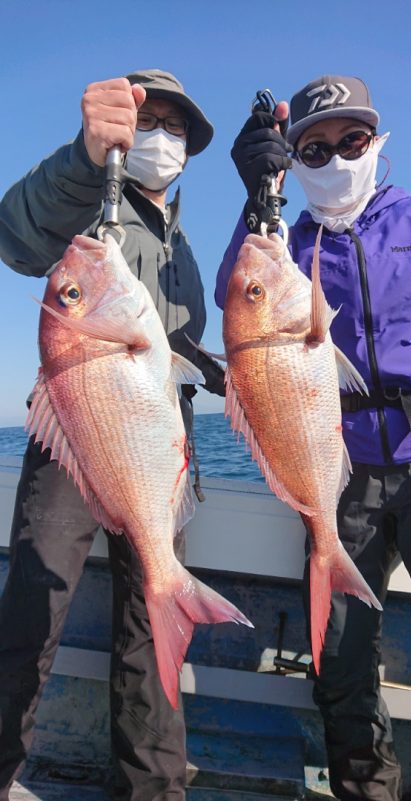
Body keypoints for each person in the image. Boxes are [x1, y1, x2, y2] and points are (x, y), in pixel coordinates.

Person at [215, 74, 411, 801]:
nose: (336, 156)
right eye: (313, 149)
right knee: (340, 657)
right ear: (296, 164)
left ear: (376, 143)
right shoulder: (286, 244)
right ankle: (363, 789)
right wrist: (256, 195)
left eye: (350, 140)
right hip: (336, 469)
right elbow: (241, 306)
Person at [0, 69, 225, 801]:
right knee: (33, 613)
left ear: (189, 146)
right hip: (80, 431)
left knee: (148, 632)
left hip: (156, 444)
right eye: (145, 117)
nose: (158, 133)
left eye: (173, 124)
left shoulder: (183, 245)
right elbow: (17, 232)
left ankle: (154, 791)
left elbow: (172, 343)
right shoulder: (89, 202)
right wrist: (84, 155)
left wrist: (217, 368)